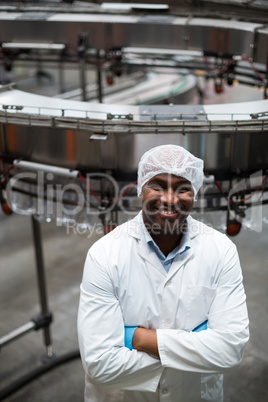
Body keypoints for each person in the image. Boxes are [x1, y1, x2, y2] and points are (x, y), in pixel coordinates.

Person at [77, 144, 249, 402]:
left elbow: (230, 350)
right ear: (140, 190)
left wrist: (136, 338)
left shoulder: (221, 251)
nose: (169, 199)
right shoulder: (104, 255)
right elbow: (101, 365)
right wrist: (198, 344)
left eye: (183, 188)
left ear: (195, 193)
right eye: (157, 185)